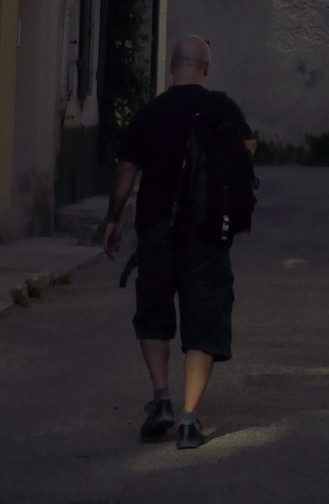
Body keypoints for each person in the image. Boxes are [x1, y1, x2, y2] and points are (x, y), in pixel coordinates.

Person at [102, 32, 255, 448]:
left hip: (156, 230)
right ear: (205, 68)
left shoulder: (150, 113)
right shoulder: (223, 107)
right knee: (204, 318)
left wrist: (113, 220)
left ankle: (162, 398)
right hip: (207, 234)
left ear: (172, 67)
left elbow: (127, 172)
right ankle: (189, 420)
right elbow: (247, 152)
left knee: (152, 313)